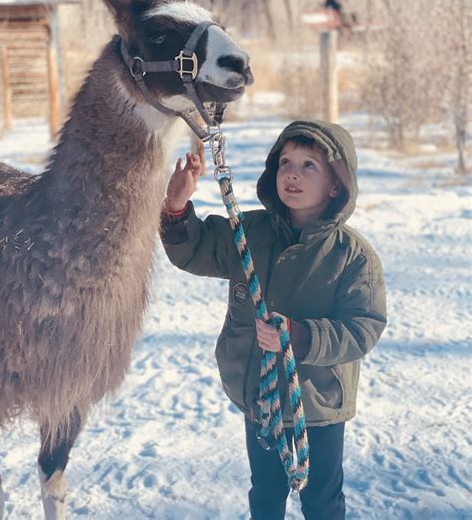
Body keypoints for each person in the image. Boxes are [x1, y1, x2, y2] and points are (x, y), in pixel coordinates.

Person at [160, 120, 387, 520]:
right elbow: (195, 251)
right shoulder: (248, 232)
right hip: (259, 397)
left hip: (316, 403)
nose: (292, 174)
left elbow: (363, 328)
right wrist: (177, 210)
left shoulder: (353, 256)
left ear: (336, 184)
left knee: (321, 499)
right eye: (285, 162)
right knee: (265, 492)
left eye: (308, 165)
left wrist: (300, 337)